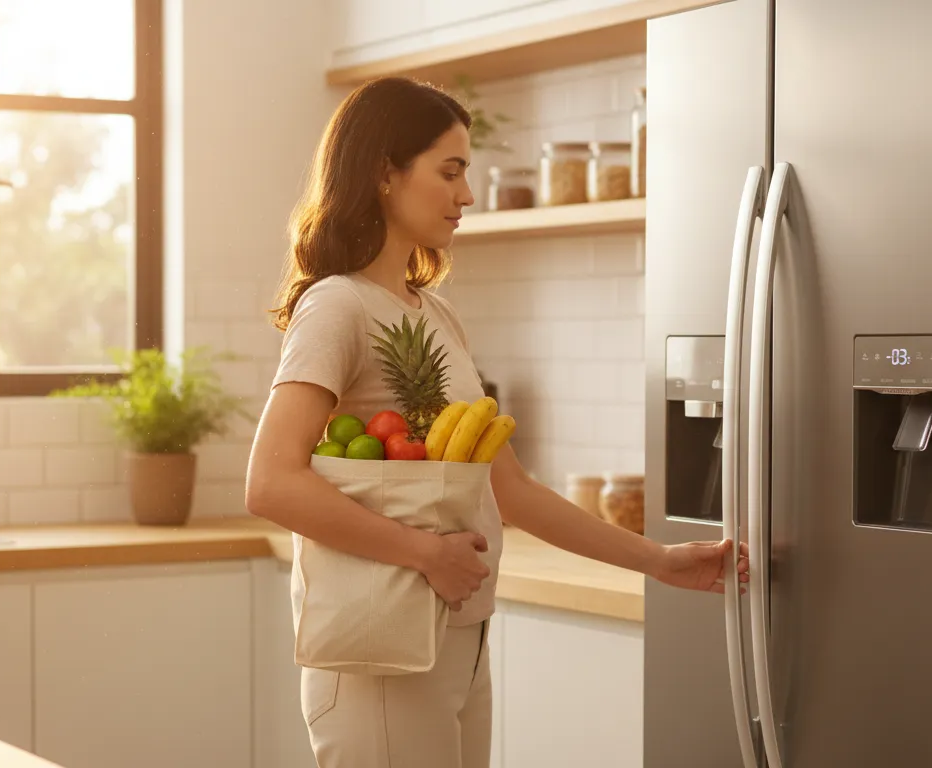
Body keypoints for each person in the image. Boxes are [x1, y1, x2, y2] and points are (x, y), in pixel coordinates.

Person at [245, 76, 749, 768]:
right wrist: (424, 552)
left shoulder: (436, 314)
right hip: (381, 658)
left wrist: (659, 562)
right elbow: (271, 482)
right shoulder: (336, 306)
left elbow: (511, 492)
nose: (467, 195)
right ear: (384, 174)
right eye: (448, 172)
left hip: (461, 636)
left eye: (467, 172)